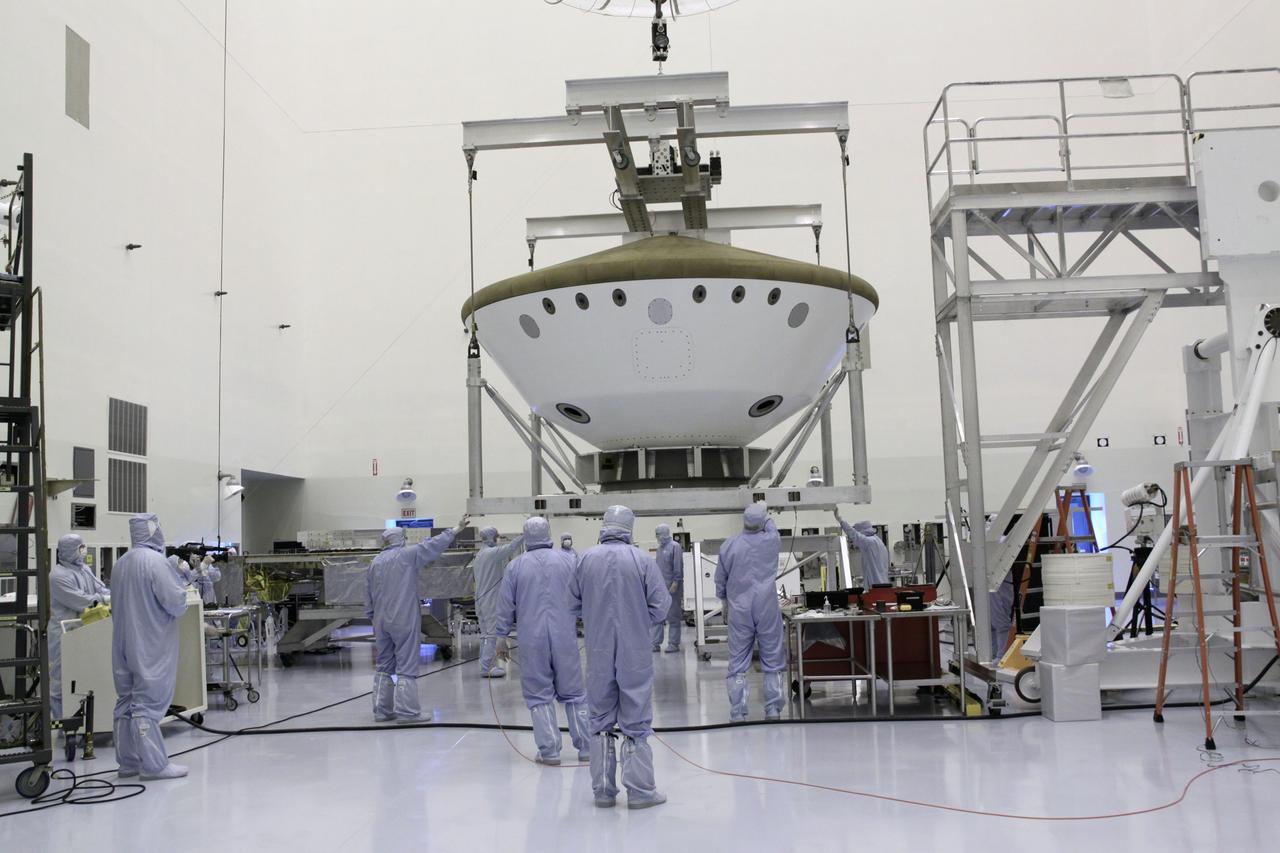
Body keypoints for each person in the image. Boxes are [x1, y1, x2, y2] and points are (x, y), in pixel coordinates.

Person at [570, 505, 670, 809]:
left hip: (599, 647)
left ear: (604, 525)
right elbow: (661, 606)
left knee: (599, 718)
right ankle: (640, 792)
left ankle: (602, 791)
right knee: (635, 713)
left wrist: (594, 615)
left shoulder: (585, 559)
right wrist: (639, 619)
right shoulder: (641, 560)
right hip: (635, 647)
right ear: (630, 527)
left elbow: (571, 603)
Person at [494, 517, 590, 765]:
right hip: (564, 636)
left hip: (532, 638)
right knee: (574, 693)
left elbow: (505, 605)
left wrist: (501, 637)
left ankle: (550, 752)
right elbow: (584, 595)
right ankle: (587, 747)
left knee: (539, 694)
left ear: (525, 536)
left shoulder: (515, 566)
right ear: (548, 533)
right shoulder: (568, 560)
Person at [365, 517, 469, 722]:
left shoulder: (374, 562)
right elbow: (433, 545)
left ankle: (381, 711)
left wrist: (373, 617)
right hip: (403, 618)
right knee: (406, 664)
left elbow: (367, 595)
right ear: (400, 539)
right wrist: (456, 529)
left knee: (384, 664)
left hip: (380, 621)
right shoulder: (407, 555)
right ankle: (407, 712)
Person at [111, 514, 190, 780]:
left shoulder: (121, 563)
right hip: (150, 642)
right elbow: (176, 604)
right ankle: (154, 765)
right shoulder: (156, 562)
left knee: (126, 700)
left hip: (123, 641)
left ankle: (128, 762)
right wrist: (181, 578)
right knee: (146, 703)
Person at [715, 502, 786, 722]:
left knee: (738, 661)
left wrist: (725, 602)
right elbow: (771, 525)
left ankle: (738, 712)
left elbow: (720, 579)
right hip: (766, 606)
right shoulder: (771, 540)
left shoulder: (729, 545)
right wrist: (765, 513)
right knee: (772, 656)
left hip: (739, 608)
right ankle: (773, 709)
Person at [49, 533, 110, 720]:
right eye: (80, 547)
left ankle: (85, 723)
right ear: (70, 550)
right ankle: (61, 723)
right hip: (64, 633)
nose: (84, 550)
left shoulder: (84, 569)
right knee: (61, 680)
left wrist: (110, 594)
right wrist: (107, 598)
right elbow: (82, 601)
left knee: (84, 676)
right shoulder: (57, 576)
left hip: (86, 632)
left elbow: (100, 589)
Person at [473, 526, 525, 678]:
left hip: (480, 599)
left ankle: (484, 664)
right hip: (489, 600)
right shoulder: (491, 553)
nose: (498, 538)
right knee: (492, 635)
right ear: (492, 537)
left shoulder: (480, 554)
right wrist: (524, 535)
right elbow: (510, 548)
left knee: (485, 634)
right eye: (497, 536)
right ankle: (487, 667)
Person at [650, 524, 684, 653]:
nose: (657, 537)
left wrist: (676, 582)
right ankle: (655, 643)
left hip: (672, 588)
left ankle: (673, 644)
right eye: (656, 534)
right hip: (660, 588)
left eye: (658, 534)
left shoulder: (675, 547)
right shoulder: (660, 548)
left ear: (665, 533)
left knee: (673, 617)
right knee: (657, 616)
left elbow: (678, 566)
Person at [835, 511, 889, 587]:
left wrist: (840, 520)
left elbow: (854, 535)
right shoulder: (879, 542)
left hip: (876, 587)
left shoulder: (869, 542)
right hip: (883, 584)